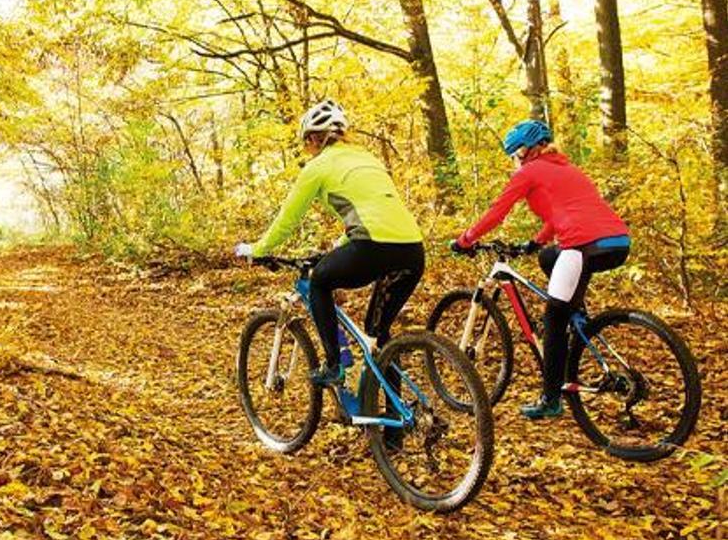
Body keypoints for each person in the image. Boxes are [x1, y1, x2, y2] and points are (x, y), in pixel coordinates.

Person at [235, 99, 426, 388]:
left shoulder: (318, 167)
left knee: (320, 281)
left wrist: (257, 249)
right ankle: (392, 430)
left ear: (313, 138)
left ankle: (334, 366)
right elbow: (373, 213)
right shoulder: (367, 158)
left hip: (373, 247)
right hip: (411, 250)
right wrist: (337, 248)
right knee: (379, 334)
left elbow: (287, 221)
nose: (307, 147)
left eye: (306, 141)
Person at [451, 119, 630, 419]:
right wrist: (536, 242)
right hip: (617, 242)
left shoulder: (530, 171)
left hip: (583, 245)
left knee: (553, 317)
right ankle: (578, 314)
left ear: (525, 151)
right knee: (548, 257)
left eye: (514, 154)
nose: (514, 161)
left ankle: (551, 399)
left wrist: (466, 239)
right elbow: (561, 214)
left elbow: (498, 211)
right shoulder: (568, 170)